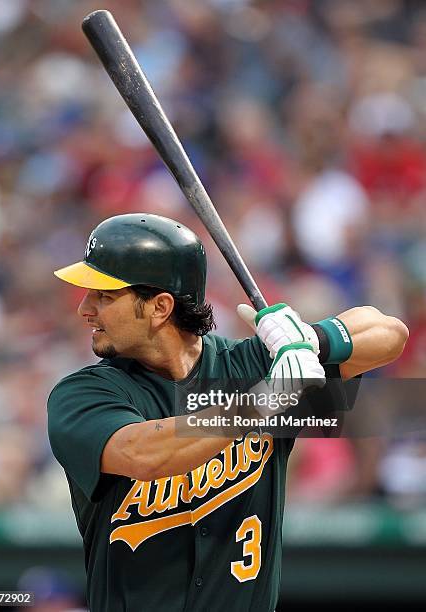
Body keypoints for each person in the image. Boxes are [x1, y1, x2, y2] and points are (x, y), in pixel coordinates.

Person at [48, 213, 408, 612]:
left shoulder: (251, 363)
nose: (85, 308)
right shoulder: (82, 393)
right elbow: (142, 453)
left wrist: (308, 340)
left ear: (160, 307)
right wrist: (261, 403)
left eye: (105, 296)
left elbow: (388, 333)